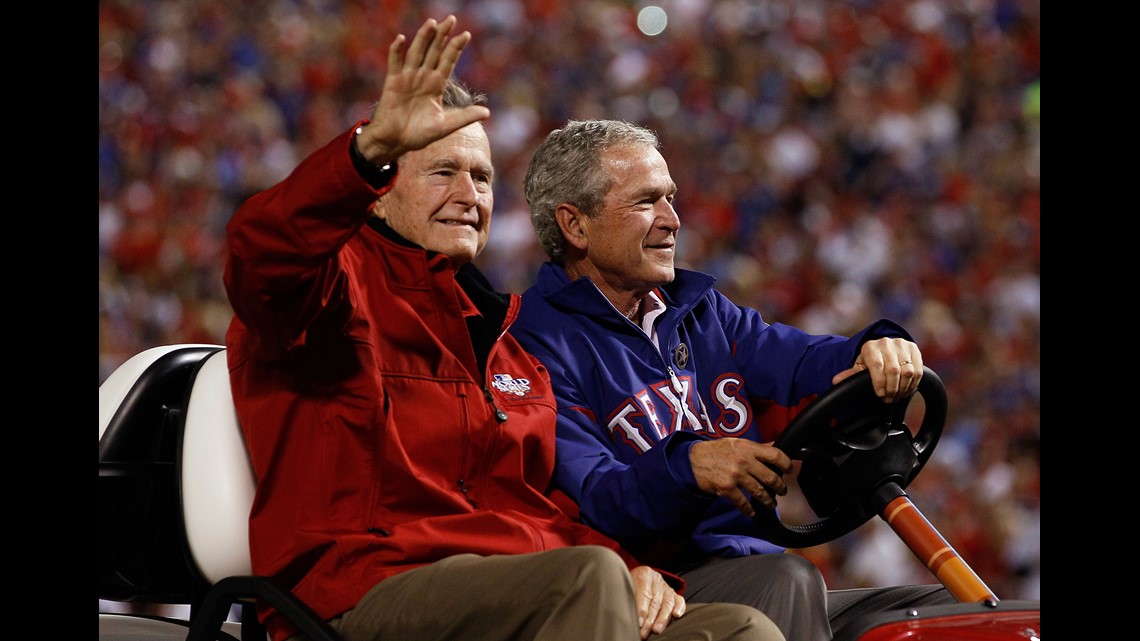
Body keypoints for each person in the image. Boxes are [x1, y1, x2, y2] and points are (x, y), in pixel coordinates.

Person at [222, 16, 784, 641]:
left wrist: (635, 567)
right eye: (442, 172)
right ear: (378, 193)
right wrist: (366, 151)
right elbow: (260, 253)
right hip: (358, 592)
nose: (470, 194)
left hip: (511, 589)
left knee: (740, 629)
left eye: (482, 178)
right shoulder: (329, 290)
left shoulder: (506, 346)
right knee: (588, 580)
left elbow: (533, 507)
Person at [509, 119, 957, 641]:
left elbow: (809, 364)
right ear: (575, 225)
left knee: (947, 614)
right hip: (654, 584)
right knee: (787, 577)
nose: (673, 220)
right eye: (646, 202)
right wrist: (690, 466)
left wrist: (877, 348)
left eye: (671, 198)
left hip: (757, 569)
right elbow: (595, 498)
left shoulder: (702, 313)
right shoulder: (532, 345)